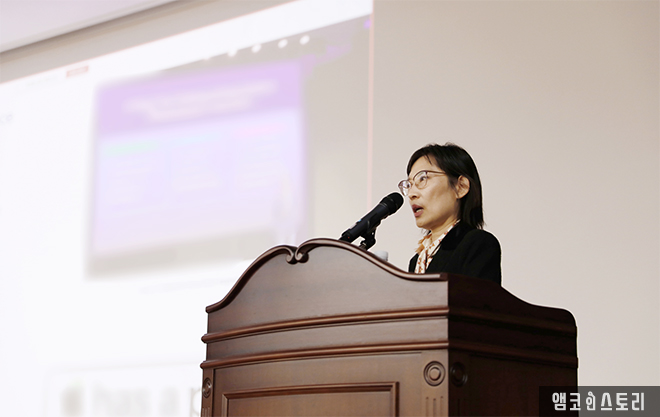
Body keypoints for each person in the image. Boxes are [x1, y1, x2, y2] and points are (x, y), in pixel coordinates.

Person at [398, 143, 501, 285]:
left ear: (461, 187)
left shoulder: (478, 244)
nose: (411, 194)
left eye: (423, 179)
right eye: (409, 185)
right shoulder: (417, 261)